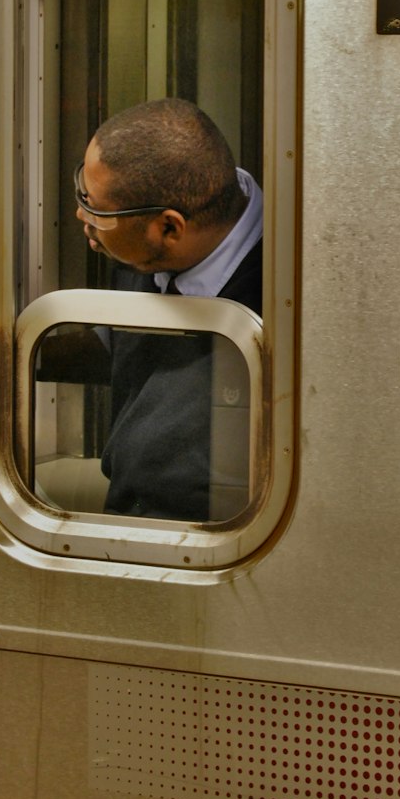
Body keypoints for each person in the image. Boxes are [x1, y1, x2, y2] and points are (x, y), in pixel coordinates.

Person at [72, 98, 262, 521]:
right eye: (84, 191)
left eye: (97, 210)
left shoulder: (287, 289)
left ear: (169, 228)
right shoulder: (148, 252)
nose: (81, 214)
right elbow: (117, 346)